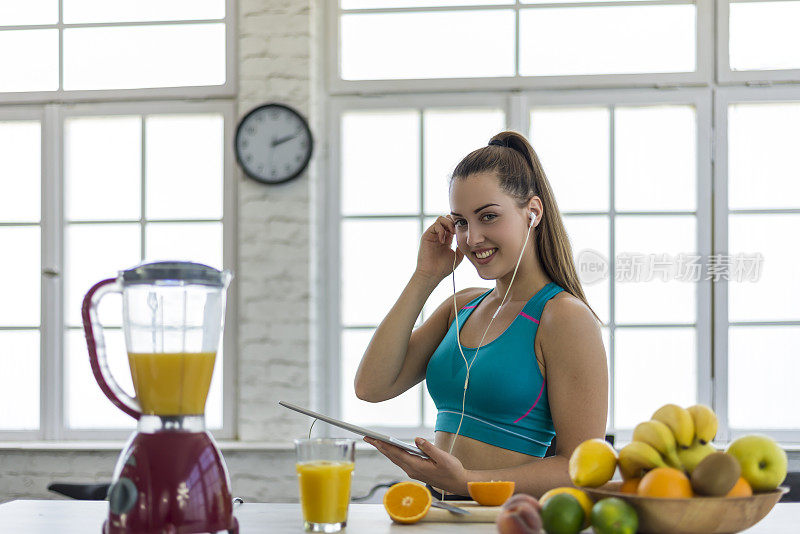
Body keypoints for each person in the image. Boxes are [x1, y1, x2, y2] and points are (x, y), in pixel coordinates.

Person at [354, 130, 608, 499]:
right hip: (442, 513)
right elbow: (371, 387)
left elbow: (582, 467)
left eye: (488, 217)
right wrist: (425, 276)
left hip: (509, 518)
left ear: (532, 212)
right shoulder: (462, 306)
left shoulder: (563, 317)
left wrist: (466, 482)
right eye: (460, 222)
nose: (472, 238)